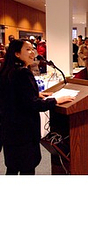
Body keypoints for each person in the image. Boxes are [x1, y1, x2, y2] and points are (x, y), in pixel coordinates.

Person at [0, 39, 74, 175]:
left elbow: (13, 96)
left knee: (12, 168)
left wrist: (35, 93)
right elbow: (32, 105)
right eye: (28, 49)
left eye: (32, 49)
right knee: (27, 170)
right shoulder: (23, 73)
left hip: (9, 131)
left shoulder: (8, 70)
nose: (32, 52)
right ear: (17, 54)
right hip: (23, 133)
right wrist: (55, 100)